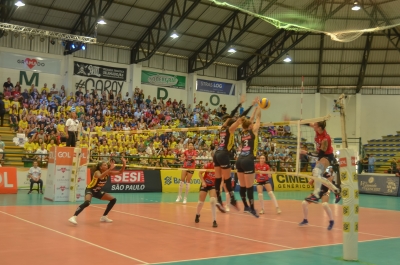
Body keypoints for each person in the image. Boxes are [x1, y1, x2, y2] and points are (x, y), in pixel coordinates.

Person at [68, 157, 126, 225]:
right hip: (90, 189)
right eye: (104, 165)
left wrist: (124, 164)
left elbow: (120, 172)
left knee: (113, 199)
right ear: (100, 167)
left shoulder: (108, 173)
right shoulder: (97, 172)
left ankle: (104, 217)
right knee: (87, 203)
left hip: (97, 191)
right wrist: (110, 168)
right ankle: (73, 217)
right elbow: (101, 176)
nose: (106, 166)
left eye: (106, 165)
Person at [213, 94, 246, 212]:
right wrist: (246, 107)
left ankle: (218, 200)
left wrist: (240, 104)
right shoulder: (231, 129)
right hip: (223, 154)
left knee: (217, 179)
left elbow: (231, 115)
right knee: (226, 180)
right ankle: (232, 200)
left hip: (216, 154)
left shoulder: (222, 127)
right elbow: (239, 119)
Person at [300, 121, 341, 204]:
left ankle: (316, 195)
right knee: (316, 175)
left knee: (316, 171)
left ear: (319, 128)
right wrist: (297, 122)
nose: (313, 125)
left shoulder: (325, 139)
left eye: (315, 125)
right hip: (321, 156)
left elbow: (319, 155)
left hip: (327, 156)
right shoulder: (317, 130)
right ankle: (336, 190)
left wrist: (306, 153)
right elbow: (308, 123)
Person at [233, 98, 261, 218]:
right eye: (252, 123)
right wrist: (260, 107)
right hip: (248, 159)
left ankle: (245, 206)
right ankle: (252, 209)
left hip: (239, 160)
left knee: (243, 187)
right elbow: (258, 119)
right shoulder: (253, 131)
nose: (253, 123)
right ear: (250, 126)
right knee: (249, 187)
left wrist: (253, 110)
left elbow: (249, 121)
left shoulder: (243, 132)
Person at [195, 161, 218, 227]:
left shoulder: (220, 167)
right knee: (200, 203)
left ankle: (214, 220)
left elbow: (221, 178)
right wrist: (203, 182)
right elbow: (200, 173)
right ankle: (197, 214)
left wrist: (219, 187)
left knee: (213, 201)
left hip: (213, 185)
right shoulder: (208, 165)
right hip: (205, 184)